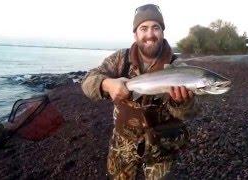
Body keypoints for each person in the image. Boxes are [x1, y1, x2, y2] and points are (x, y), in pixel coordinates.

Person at [82, 4, 196, 179]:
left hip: (163, 147)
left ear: (163, 32)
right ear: (135, 34)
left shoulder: (179, 68)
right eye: (144, 28)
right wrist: (107, 84)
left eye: (155, 28)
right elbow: (88, 81)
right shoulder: (120, 59)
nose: (150, 34)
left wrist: (181, 103)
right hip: (123, 144)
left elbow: (189, 114)